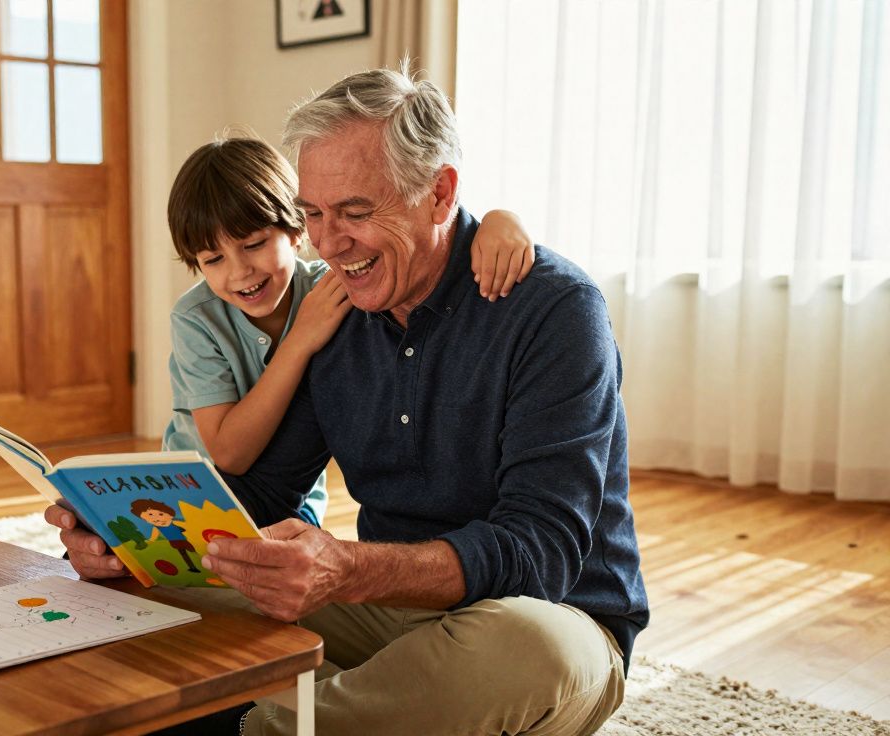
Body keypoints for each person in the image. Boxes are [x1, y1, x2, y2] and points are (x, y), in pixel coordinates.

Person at [50, 65, 648, 736]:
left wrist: (349, 569)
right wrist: (124, 532)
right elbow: (267, 492)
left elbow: (542, 551)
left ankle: (257, 722)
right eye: (313, 216)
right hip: (388, 608)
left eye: (356, 213)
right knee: (152, 591)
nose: (330, 245)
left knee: (524, 652)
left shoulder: (554, 309)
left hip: (546, 615)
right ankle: (328, 706)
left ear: (438, 193)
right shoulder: (337, 313)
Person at [161, 136, 534, 529]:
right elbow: (228, 455)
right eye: (213, 259)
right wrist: (301, 339)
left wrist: (500, 220)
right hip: (192, 491)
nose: (239, 272)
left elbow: (441, 238)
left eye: (254, 244)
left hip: (294, 495)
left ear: (298, 229)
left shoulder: (338, 286)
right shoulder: (196, 317)